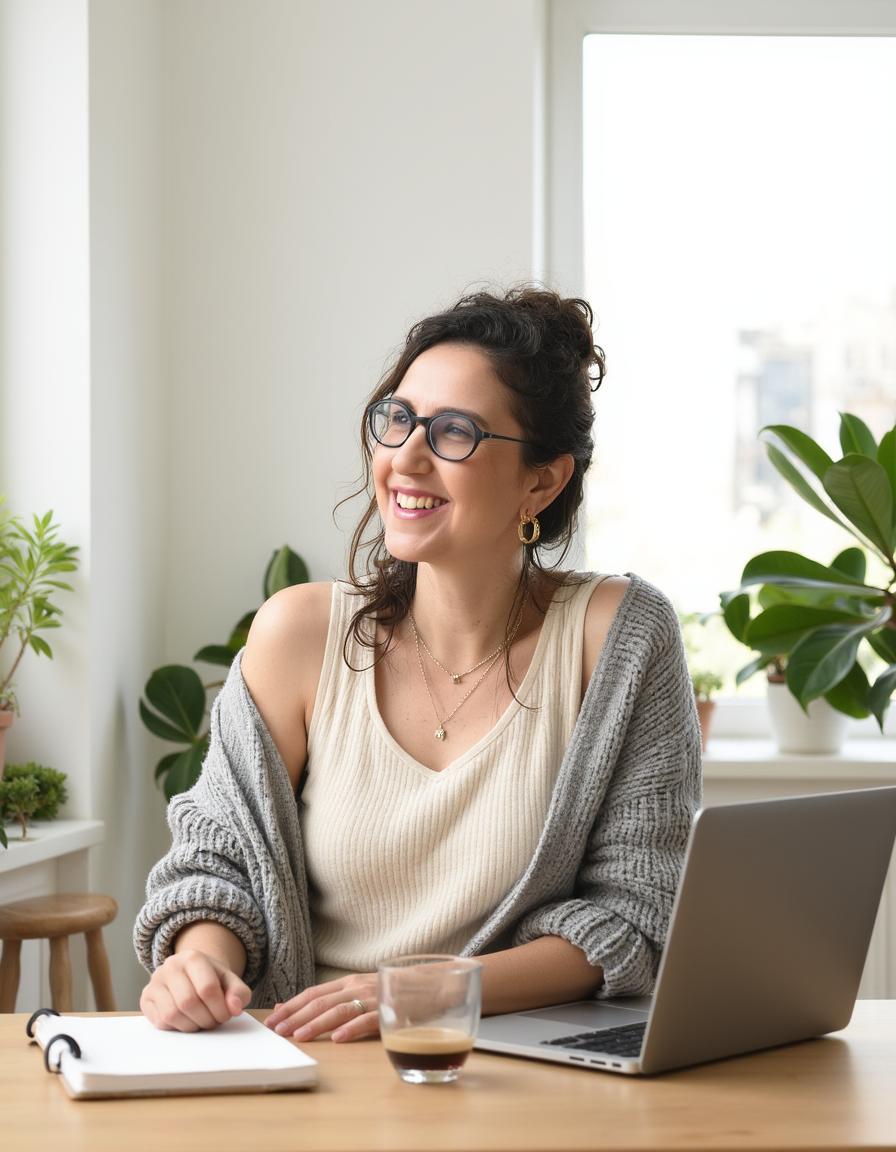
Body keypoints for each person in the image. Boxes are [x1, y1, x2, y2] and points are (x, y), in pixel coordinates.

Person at [134, 286, 702, 1042]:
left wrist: (428, 992)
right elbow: (219, 862)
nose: (403, 457)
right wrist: (197, 965)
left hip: (523, 1073)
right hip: (315, 1063)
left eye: (455, 432)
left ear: (543, 479)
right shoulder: (298, 635)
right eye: (397, 419)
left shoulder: (620, 637)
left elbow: (637, 910)